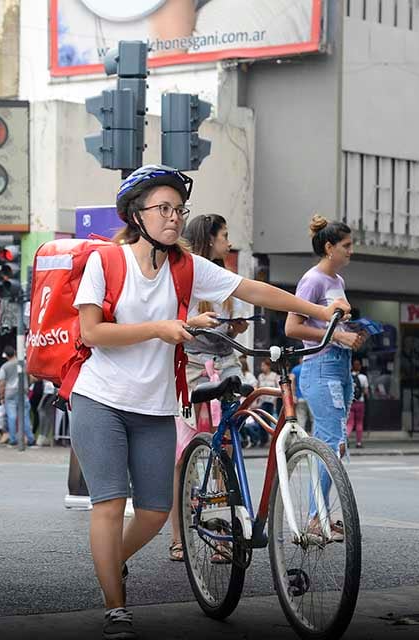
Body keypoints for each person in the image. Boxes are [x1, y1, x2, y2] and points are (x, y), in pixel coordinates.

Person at [68, 164, 349, 639]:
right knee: (111, 505)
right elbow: (91, 332)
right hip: (100, 399)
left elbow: (250, 290)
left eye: (179, 209)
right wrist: (160, 329)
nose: (174, 218)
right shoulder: (106, 263)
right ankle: (115, 604)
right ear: (137, 215)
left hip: (155, 405)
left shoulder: (186, 266)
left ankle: (108, 563)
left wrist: (319, 310)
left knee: (156, 512)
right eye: (164, 209)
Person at [168, 213, 247, 562]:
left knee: (226, 454)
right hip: (192, 371)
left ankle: (223, 537)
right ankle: (178, 536)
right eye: (224, 236)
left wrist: (238, 326)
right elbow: (169, 324)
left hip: (226, 368)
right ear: (209, 239)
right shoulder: (183, 279)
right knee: (183, 456)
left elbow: (238, 327)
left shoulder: (230, 280)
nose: (228, 243)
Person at [285, 215, 366, 540]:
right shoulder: (313, 280)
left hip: (340, 367)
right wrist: (338, 337)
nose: (351, 252)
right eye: (346, 246)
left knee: (335, 444)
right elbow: (292, 327)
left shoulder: (337, 282)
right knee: (332, 443)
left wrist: (350, 335)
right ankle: (317, 518)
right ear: (329, 247)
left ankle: (320, 515)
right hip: (320, 367)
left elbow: (331, 326)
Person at [0, 345, 36, 449]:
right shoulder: (24, 363)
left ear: (6, 356)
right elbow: (32, 377)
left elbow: (2, 383)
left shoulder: (4, 367)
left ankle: (12, 439)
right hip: (22, 391)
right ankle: (30, 439)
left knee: (11, 416)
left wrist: (1, 396)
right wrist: (27, 386)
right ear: (15, 352)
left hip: (9, 392)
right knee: (25, 416)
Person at [347, 359, 368, 448]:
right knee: (359, 423)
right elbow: (366, 391)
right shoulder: (363, 377)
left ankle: (345, 440)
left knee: (350, 423)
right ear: (359, 366)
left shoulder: (348, 377)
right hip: (360, 402)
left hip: (350, 402)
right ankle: (358, 443)